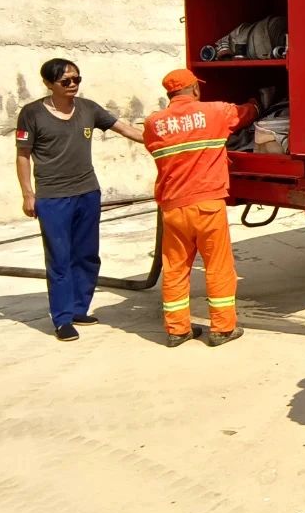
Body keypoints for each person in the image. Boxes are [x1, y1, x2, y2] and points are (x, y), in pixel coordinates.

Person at [15, 58, 144, 341]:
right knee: (59, 259)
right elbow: (23, 155)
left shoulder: (88, 109)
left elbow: (124, 128)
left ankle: (78, 309)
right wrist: (28, 194)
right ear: (50, 84)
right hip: (52, 198)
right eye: (65, 81)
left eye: (76, 79)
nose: (73, 85)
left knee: (86, 255)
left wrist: (160, 142)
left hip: (87, 192)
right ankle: (62, 320)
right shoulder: (32, 113)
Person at [142, 69, 259, 347]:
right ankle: (222, 329)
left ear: (169, 94)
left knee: (175, 268)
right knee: (217, 266)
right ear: (194, 89)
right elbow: (245, 114)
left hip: (173, 207)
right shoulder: (215, 112)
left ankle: (177, 330)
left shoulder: (153, 123)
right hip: (207, 204)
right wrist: (257, 101)